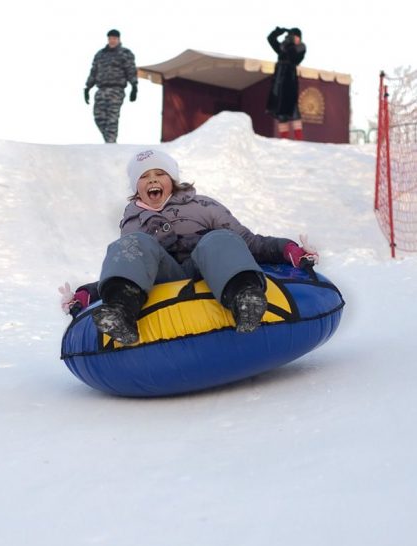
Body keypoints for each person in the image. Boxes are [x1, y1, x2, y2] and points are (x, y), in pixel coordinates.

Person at [64, 149, 318, 345]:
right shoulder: (131, 223)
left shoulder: (202, 206)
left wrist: (290, 250)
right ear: (136, 187)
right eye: (144, 176)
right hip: (163, 279)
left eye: (160, 173)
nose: (153, 179)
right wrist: (85, 295)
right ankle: (120, 312)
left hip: (207, 268)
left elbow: (248, 242)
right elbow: (130, 267)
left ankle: (244, 298)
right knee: (131, 245)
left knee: (219, 238)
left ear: (172, 180)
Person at [84, 29, 138, 143]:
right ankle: (109, 142)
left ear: (118, 39)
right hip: (101, 90)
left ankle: (111, 144)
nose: (112, 40)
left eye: (114, 38)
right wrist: (87, 88)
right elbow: (94, 71)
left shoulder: (125, 53)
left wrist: (134, 86)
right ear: (108, 39)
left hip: (116, 90)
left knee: (112, 119)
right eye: (110, 38)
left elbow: (131, 70)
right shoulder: (100, 54)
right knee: (99, 118)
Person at [266, 27, 307, 140]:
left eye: (298, 37)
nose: (298, 39)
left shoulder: (301, 47)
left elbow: (294, 56)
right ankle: (284, 141)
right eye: (296, 36)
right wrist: (278, 32)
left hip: (290, 83)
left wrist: (288, 43)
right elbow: (270, 39)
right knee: (281, 113)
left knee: (293, 110)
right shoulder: (283, 47)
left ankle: (299, 140)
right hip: (279, 83)